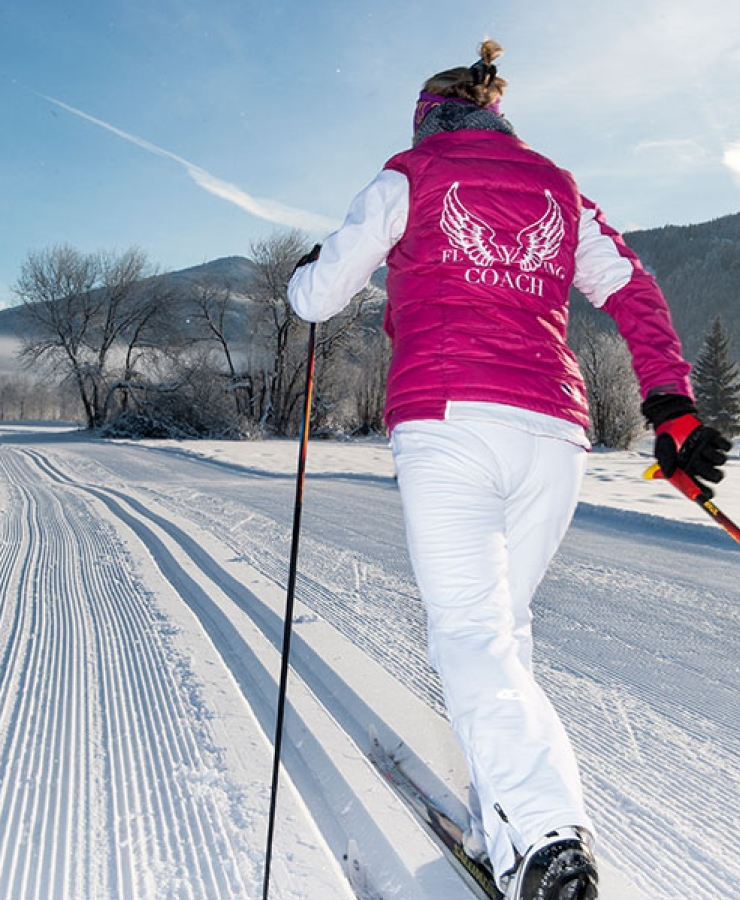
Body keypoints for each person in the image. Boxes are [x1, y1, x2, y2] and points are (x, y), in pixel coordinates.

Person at [288, 40, 730, 900]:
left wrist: (309, 274)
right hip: (554, 436)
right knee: (503, 632)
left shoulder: (411, 173)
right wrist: (670, 404)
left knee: (472, 637)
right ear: (495, 112)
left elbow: (317, 298)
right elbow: (632, 289)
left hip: (450, 421)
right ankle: (514, 833)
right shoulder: (560, 188)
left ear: (429, 115)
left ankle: (548, 836)